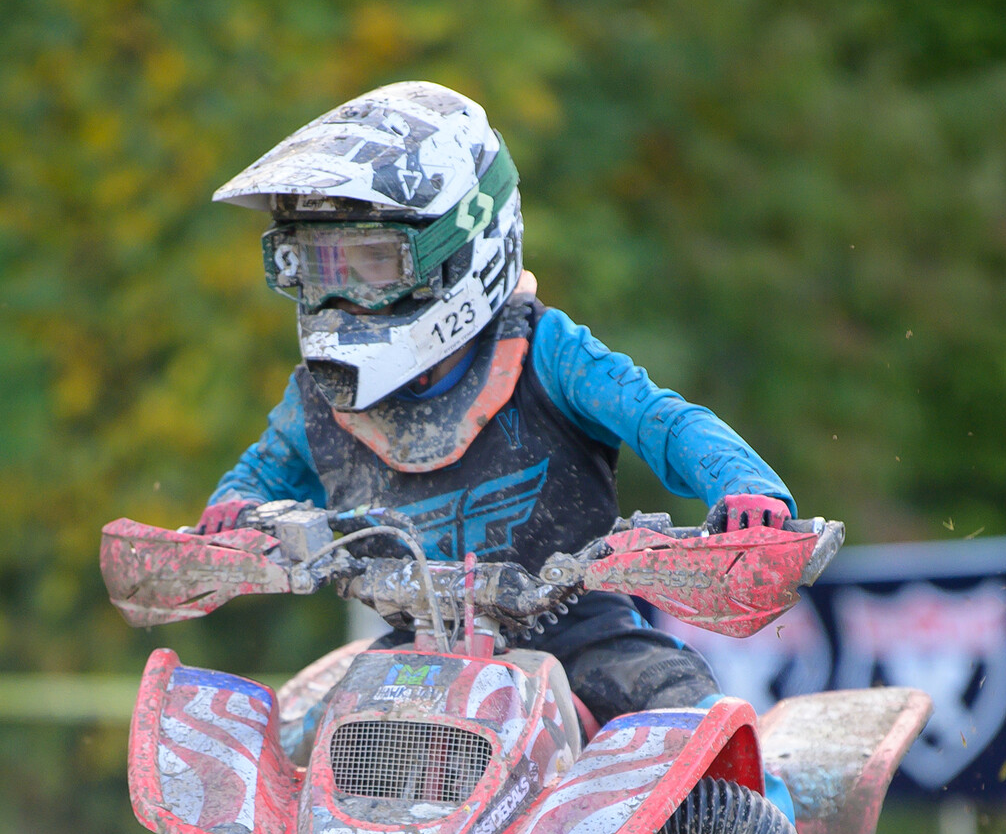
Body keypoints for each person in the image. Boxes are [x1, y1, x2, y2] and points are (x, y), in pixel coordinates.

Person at [199, 81, 802, 727]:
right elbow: (259, 480)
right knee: (302, 756)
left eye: (371, 260)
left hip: (578, 636)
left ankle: (765, 821)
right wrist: (229, 518)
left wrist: (743, 489)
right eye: (317, 266)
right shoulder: (319, 394)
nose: (338, 293)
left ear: (461, 248)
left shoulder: (546, 350)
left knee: (698, 725)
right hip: (418, 649)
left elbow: (663, 420)